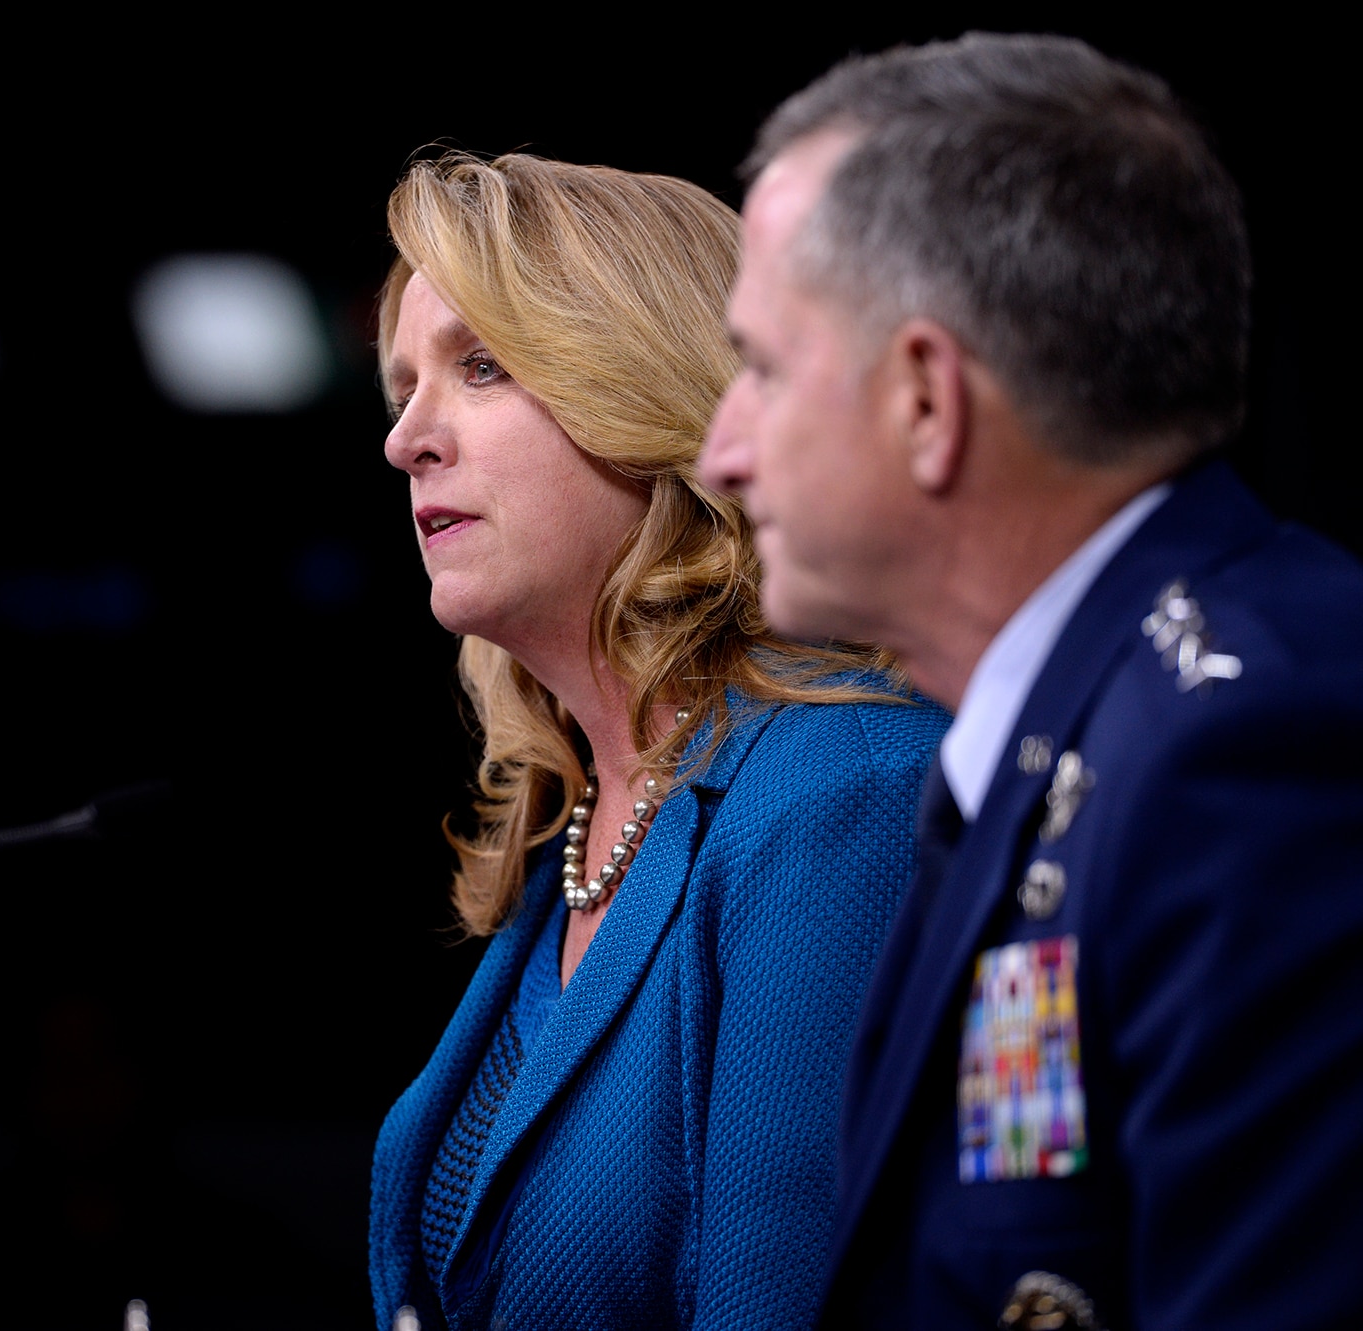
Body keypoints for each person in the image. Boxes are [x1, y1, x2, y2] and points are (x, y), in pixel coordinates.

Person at [700, 33, 1363, 1330]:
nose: (721, 446)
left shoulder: (1244, 750)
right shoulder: (1072, 726)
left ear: (926, 402)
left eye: (764, 368)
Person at [367, 152, 948, 1331]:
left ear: (654, 392)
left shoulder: (844, 796)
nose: (406, 440)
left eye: (480, 366)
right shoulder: (584, 822)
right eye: (399, 390)